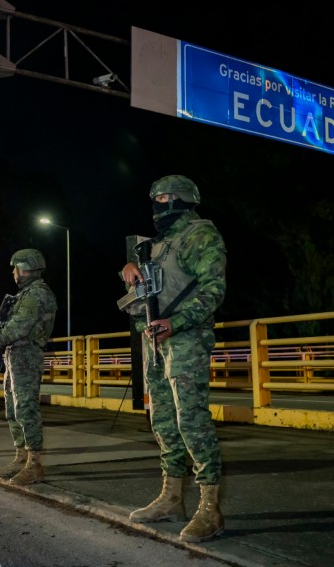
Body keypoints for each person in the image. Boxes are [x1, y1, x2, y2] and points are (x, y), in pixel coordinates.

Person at [120, 174, 228, 542]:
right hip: (155, 341)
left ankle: (210, 508)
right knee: (163, 420)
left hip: (187, 338)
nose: (157, 204)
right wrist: (130, 273)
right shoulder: (155, 245)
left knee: (191, 420)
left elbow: (214, 290)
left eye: (164, 197)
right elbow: (150, 291)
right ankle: (171, 498)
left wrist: (176, 322)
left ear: (181, 199)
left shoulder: (201, 234)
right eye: (154, 198)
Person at [0, 249, 57, 485]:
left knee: (26, 407)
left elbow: (19, 327)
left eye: (16, 268)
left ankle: (34, 463)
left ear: (26, 268)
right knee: (13, 408)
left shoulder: (37, 294)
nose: (13, 273)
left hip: (27, 353)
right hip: (15, 354)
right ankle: (20, 457)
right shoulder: (25, 294)